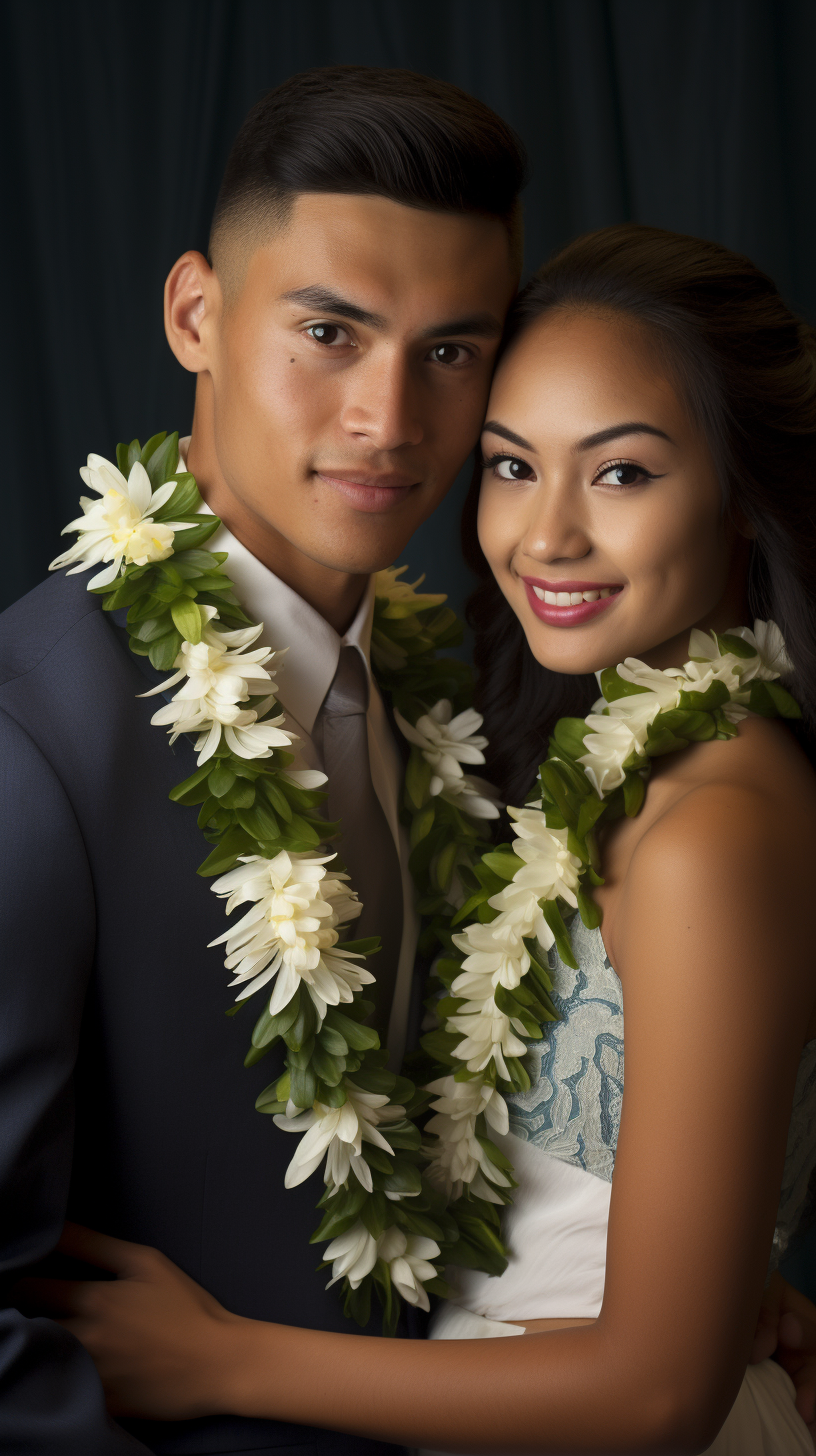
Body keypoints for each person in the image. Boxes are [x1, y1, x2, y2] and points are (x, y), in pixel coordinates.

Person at [31, 223, 816, 1455]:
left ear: (741, 490)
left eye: (621, 474)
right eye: (512, 466)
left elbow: (661, 1395)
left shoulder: (712, 827)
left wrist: (222, 1359)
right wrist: (724, 1292)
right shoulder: (637, 770)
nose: (546, 535)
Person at [0, 65, 522, 1455]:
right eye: (330, 331)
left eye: (452, 352)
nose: (389, 419)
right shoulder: (30, 739)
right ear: (197, 314)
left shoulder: (462, 695)